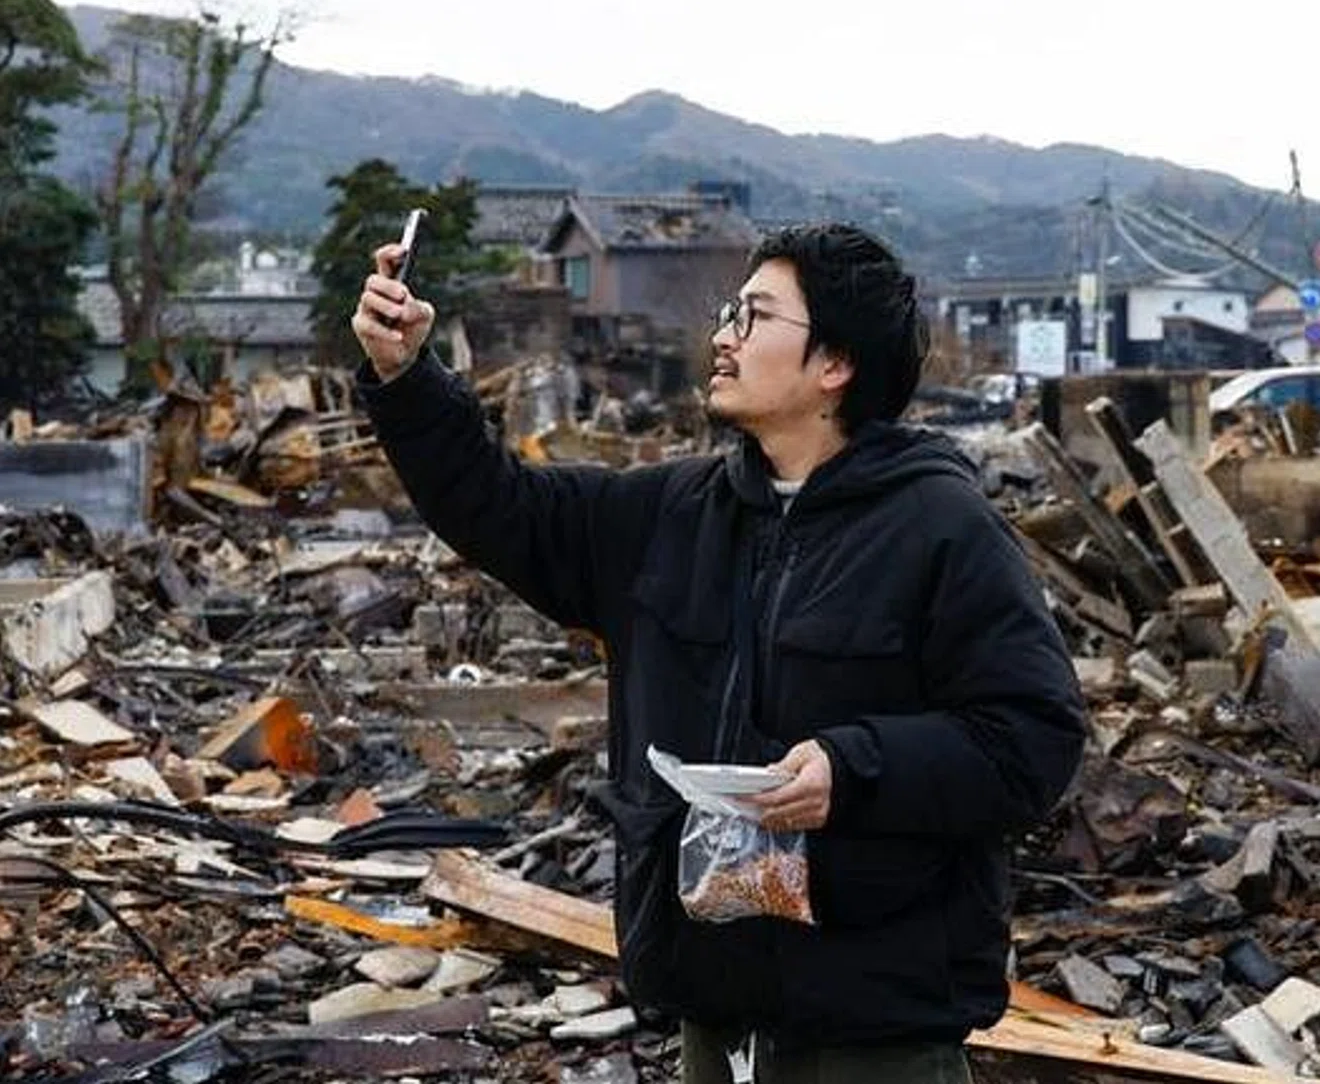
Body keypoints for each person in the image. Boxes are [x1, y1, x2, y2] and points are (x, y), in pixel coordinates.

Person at [352, 222, 1085, 1083]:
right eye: (729, 310)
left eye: (755, 316)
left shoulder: (939, 530)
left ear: (834, 365)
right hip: (713, 1018)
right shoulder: (672, 515)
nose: (724, 335)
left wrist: (854, 772)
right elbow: (498, 504)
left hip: (876, 1037)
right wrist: (407, 379)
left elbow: (1032, 738)